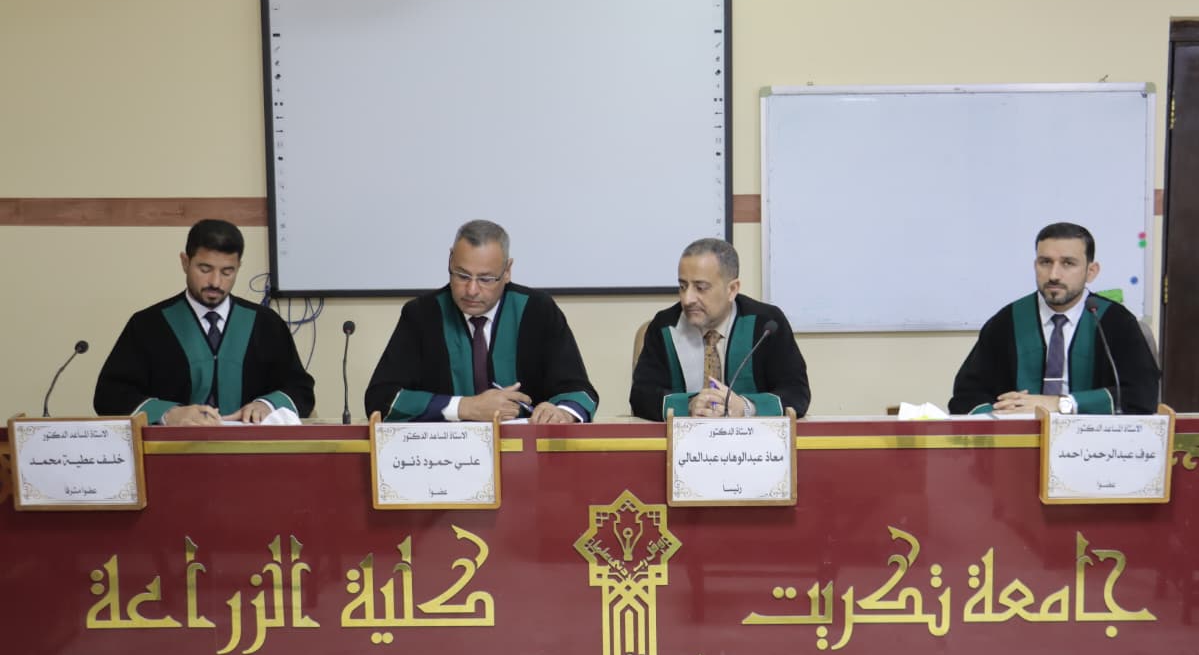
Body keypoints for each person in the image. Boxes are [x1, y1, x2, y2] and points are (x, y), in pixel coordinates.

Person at [365, 220, 598, 423]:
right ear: (450, 260)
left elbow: (578, 391)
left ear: (507, 271)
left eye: (486, 279)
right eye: (462, 275)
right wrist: (466, 407)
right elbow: (381, 399)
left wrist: (561, 412)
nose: (472, 290)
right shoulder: (422, 315)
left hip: (524, 451)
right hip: (441, 453)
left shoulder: (537, 311)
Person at [94, 219, 315, 425]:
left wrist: (267, 405)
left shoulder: (266, 324)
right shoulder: (148, 325)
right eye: (205, 269)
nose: (215, 282)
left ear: (238, 267)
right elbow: (110, 395)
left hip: (250, 448)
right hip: (172, 450)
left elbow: (300, 389)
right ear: (185, 262)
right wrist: (167, 413)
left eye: (227, 272)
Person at [948, 222, 1160, 416]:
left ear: (1091, 271)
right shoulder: (1006, 322)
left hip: (1094, 440)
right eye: (1045, 262)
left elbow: (1141, 396)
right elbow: (966, 395)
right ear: (1035, 265)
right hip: (1022, 439)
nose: (1054, 275)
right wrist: (998, 414)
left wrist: (1062, 404)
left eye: (1068, 263)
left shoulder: (1115, 322)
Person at [630, 237, 810, 420]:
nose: (687, 299)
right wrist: (688, 405)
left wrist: (746, 407)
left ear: (732, 289)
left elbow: (797, 393)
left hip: (754, 437)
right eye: (683, 286)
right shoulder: (665, 326)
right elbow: (640, 396)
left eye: (700, 288)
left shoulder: (765, 324)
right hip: (685, 436)